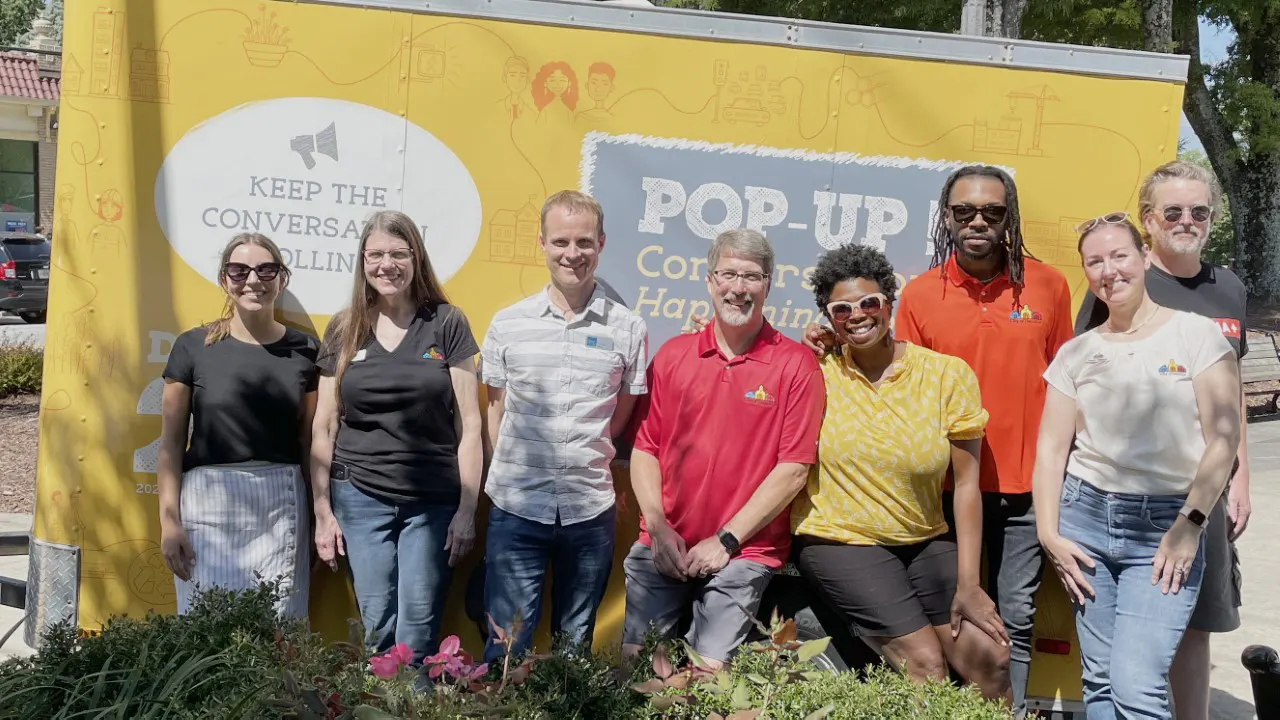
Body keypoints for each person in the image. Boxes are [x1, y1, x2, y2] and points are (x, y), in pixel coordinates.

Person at [793, 165, 1073, 714]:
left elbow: (1067, 378)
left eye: (992, 211)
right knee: (928, 658)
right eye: (964, 210)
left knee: (998, 634)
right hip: (930, 497)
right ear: (946, 216)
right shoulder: (918, 297)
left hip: (1018, 489)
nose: (977, 221)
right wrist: (820, 342)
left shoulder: (1049, 286)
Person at [1033, 213, 1240, 717]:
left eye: (1119, 255)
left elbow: (1224, 440)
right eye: (1095, 261)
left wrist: (1189, 524)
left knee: (1136, 685)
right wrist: (1049, 534)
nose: (1109, 270)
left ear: (1144, 257)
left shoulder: (1195, 336)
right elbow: (1051, 451)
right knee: (1100, 680)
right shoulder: (1076, 353)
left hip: (1167, 524)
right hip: (1085, 522)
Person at [790, 244, 1011, 701]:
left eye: (870, 302)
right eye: (842, 308)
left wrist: (969, 585)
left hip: (925, 536)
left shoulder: (946, 375)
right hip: (840, 539)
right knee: (925, 665)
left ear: (890, 301)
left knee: (989, 659)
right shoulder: (815, 370)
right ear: (828, 317)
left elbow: (966, 484)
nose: (858, 315)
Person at [620, 228, 826, 670]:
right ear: (710, 280)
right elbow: (645, 449)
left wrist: (727, 540)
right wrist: (657, 527)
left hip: (744, 552)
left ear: (768, 285)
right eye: (728, 274)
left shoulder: (796, 365)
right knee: (635, 669)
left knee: (707, 674)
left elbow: (793, 469)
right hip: (664, 543)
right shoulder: (673, 355)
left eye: (751, 276)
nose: (738, 288)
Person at [479, 190, 648, 663]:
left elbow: (623, 411)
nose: (572, 254)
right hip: (517, 507)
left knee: (574, 648)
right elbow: (495, 411)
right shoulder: (508, 324)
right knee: (505, 646)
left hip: (588, 508)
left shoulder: (629, 328)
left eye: (583, 242)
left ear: (601, 243)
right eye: (560, 242)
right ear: (541, 243)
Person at [310, 210, 484, 666]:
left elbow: (470, 426)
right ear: (363, 261)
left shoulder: (446, 323)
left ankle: (413, 706)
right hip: (359, 496)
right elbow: (325, 425)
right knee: (378, 625)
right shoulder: (344, 327)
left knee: (418, 630)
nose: (387, 264)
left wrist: (468, 510)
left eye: (398, 253)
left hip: (432, 502)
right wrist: (322, 510)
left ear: (415, 258)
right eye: (376, 255)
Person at [158, 232, 318, 618]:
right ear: (223, 279)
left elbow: (311, 444)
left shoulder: (307, 351)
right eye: (239, 270)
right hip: (206, 507)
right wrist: (169, 523)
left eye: (266, 269)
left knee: (281, 631)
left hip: (282, 505)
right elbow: (170, 444)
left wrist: (317, 520)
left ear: (282, 278)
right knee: (205, 629)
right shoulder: (192, 346)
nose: (252, 280)